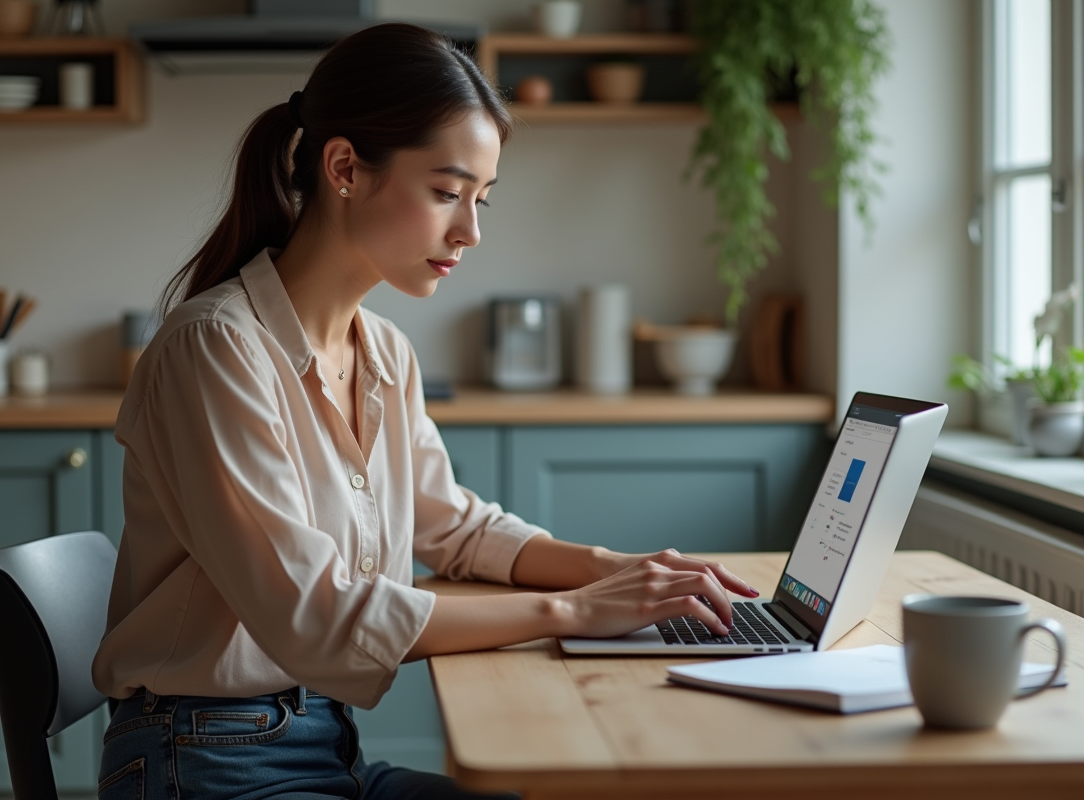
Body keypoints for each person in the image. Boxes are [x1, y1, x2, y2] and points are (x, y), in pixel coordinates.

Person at [91, 22, 757, 800]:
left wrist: (620, 570)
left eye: (480, 198)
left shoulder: (382, 352)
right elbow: (315, 616)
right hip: (204, 758)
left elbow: (458, 529)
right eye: (446, 192)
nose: (471, 231)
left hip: (322, 744)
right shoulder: (215, 349)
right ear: (344, 167)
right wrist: (572, 609)